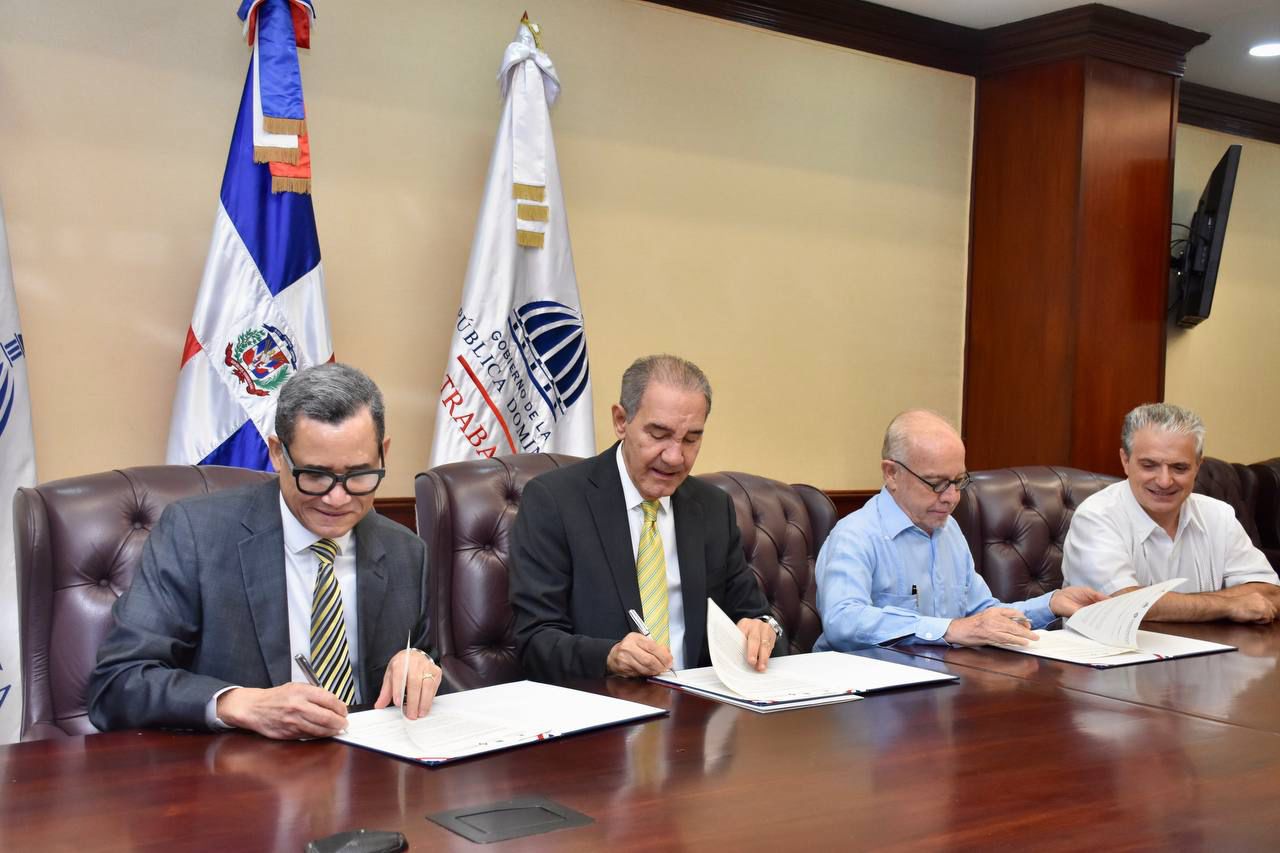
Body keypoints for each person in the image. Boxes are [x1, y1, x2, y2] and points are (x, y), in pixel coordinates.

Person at [88, 363, 441, 739]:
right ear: (277, 454)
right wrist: (237, 703)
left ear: (383, 454)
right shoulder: (196, 534)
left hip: (369, 764)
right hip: (237, 766)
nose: (337, 498)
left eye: (358, 475)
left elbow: (425, 674)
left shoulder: (406, 552)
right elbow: (118, 683)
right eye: (315, 475)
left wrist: (418, 667)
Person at [510, 354, 782, 682]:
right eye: (659, 434)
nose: (675, 457)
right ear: (621, 420)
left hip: (698, 702)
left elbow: (752, 614)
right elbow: (535, 640)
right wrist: (609, 656)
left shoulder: (712, 507)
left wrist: (761, 629)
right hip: (602, 701)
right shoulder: (555, 500)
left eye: (691, 439)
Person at [814, 410, 1103, 651]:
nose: (951, 497)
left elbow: (981, 614)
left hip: (936, 679)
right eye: (936, 483)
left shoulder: (947, 529)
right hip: (865, 688)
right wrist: (950, 628)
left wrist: (1051, 604)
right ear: (892, 474)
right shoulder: (855, 535)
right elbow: (843, 621)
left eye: (958, 481)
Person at [1063, 402, 1280, 623]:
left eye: (1179, 467)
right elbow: (1124, 604)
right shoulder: (1096, 516)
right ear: (1125, 461)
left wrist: (1174, 605)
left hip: (1207, 644)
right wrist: (1229, 604)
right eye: (1149, 465)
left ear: (1198, 466)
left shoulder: (1219, 515)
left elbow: (1271, 593)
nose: (1164, 481)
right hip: (1111, 646)